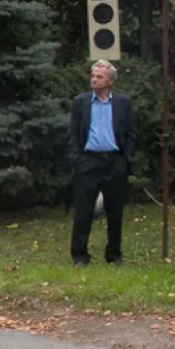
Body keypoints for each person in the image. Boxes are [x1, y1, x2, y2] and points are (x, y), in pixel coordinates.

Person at [66, 60, 137, 267]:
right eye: (93, 75)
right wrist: (76, 160)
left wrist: (127, 157)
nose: (94, 80)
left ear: (110, 81)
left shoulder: (123, 103)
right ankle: (80, 255)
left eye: (99, 77)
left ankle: (114, 254)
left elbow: (131, 133)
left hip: (115, 161)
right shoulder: (81, 102)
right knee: (83, 211)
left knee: (115, 212)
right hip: (88, 161)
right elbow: (72, 134)